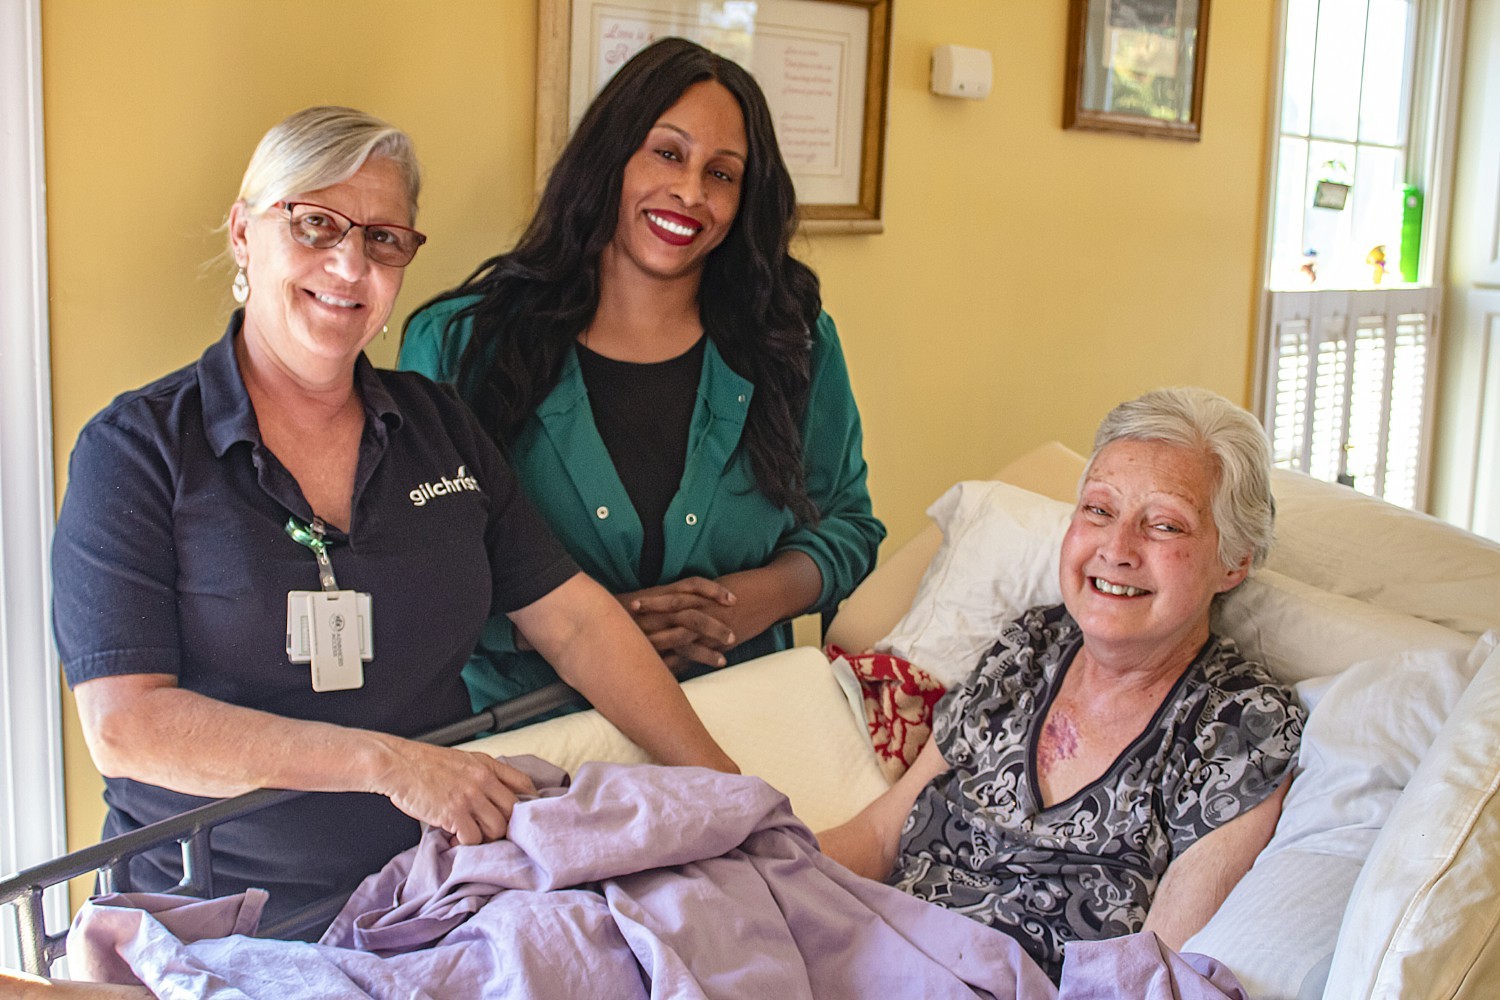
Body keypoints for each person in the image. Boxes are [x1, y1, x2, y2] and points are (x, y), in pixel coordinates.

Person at [51, 105, 737, 934]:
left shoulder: (438, 428)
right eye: (314, 224)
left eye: (383, 240)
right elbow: (127, 728)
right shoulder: (137, 451)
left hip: (437, 895)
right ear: (242, 233)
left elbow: (579, 624)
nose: (349, 264)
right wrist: (386, 764)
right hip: (220, 918)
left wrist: (731, 794)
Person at [399, 37, 884, 713]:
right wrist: (588, 628)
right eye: (667, 152)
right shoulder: (462, 343)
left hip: (743, 731)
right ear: (611, 157)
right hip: (535, 758)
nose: (690, 191)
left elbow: (847, 527)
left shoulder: (792, 341)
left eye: (722, 173)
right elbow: (420, 577)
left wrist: (746, 604)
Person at [818, 387, 1305, 981]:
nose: (1117, 549)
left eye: (1164, 525)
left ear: (1234, 562)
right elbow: (877, 833)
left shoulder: (1239, 724)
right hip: (864, 949)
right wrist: (767, 877)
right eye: (1099, 510)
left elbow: (1149, 974)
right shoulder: (1028, 648)